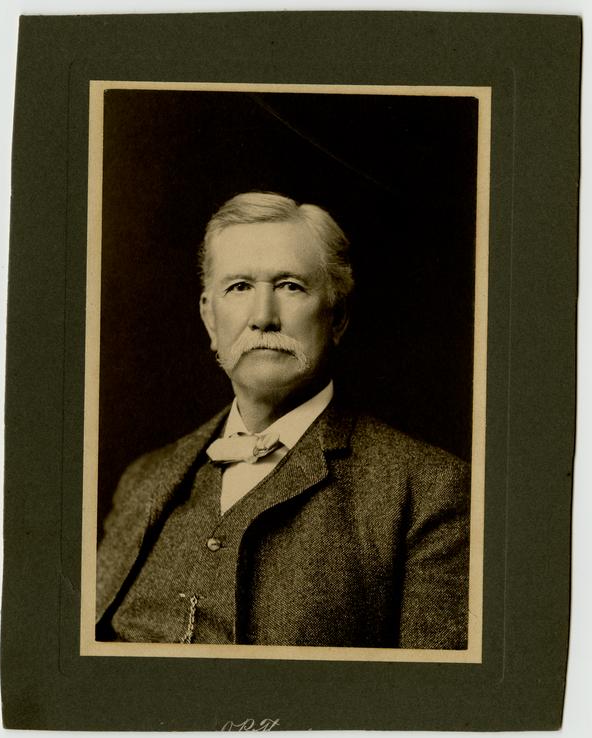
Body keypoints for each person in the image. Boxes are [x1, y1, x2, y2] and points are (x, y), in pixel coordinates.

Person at [95, 191, 470, 649]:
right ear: (210, 319)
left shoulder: (429, 492)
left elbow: (429, 690)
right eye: (239, 287)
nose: (263, 318)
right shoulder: (143, 480)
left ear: (337, 317)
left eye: (290, 286)